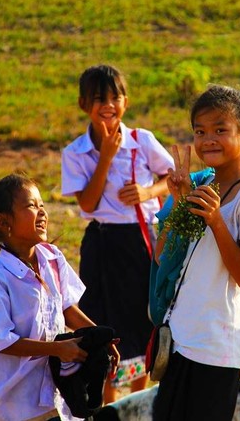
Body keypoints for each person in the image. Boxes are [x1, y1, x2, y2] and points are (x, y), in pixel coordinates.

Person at [152, 84, 240, 420]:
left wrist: (217, 221)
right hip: (180, 335)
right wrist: (178, 201)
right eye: (200, 131)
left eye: (220, 130)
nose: (208, 140)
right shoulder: (201, 185)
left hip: (216, 345)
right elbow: (162, 257)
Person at [61, 64, 174, 402]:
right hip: (102, 242)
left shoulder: (142, 141)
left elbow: (174, 178)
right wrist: (107, 157)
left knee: (142, 317)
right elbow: (90, 204)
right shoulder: (75, 152)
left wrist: (147, 193)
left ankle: (136, 400)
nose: (108, 105)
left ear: (126, 102)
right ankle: (108, 400)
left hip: (140, 242)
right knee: (99, 317)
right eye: (99, 99)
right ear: (84, 104)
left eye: (115, 97)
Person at [0, 173, 119, 421]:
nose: (42, 212)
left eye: (42, 205)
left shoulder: (52, 258)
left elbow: (66, 309)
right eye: (31, 205)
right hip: (16, 397)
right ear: (3, 222)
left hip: (53, 389)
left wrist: (102, 338)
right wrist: (57, 349)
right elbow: (4, 343)